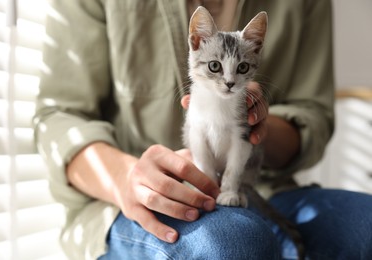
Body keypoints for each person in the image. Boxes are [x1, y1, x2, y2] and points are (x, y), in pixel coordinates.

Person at [33, 0, 372, 259]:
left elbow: (312, 115)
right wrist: (125, 177)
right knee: (232, 243)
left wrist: (257, 126)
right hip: (138, 196)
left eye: (239, 69)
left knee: (366, 227)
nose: (228, 79)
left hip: (263, 186)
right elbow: (58, 114)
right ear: (196, 42)